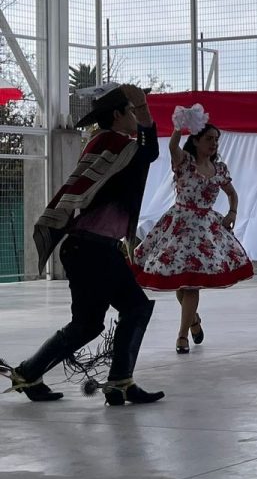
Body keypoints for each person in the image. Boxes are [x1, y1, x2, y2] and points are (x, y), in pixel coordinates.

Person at [0, 84, 164, 405]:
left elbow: (144, 153)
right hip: (90, 249)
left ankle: (108, 381)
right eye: (131, 112)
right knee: (110, 316)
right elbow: (149, 151)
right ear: (118, 115)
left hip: (95, 249)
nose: (136, 118)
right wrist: (144, 106)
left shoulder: (114, 147)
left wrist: (141, 111)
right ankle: (109, 381)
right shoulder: (109, 143)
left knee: (118, 314)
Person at [133, 122, 254, 353]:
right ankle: (193, 320)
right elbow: (172, 145)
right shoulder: (184, 162)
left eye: (216, 140)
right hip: (178, 226)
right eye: (209, 138)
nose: (214, 143)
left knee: (190, 284)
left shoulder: (219, 168)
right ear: (196, 140)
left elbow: (232, 194)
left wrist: (232, 213)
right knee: (182, 280)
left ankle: (182, 335)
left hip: (205, 229)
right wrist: (180, 126)